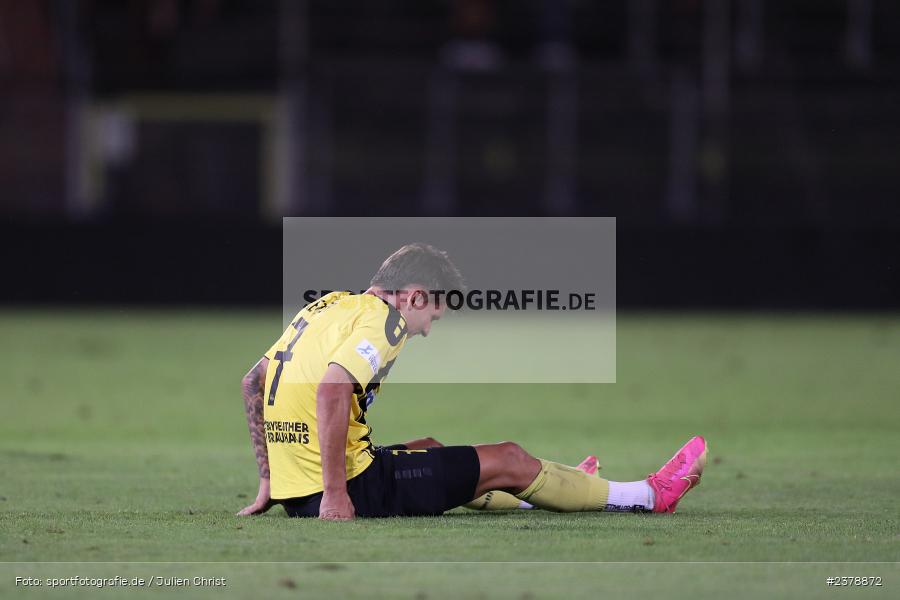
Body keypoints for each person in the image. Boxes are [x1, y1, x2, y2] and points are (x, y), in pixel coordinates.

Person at [237, 243, 707, 520]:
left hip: (297, 491)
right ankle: (646, 496)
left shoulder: (329, 305)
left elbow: (252, 381)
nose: (426, 329)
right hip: (344, 490)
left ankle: (561, 489)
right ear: (415, 295)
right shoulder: (386, 322)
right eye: (432, 315)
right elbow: (333, 389)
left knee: (433, 448)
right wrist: (337, 495)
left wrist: (269, 481)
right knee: (509, 457)